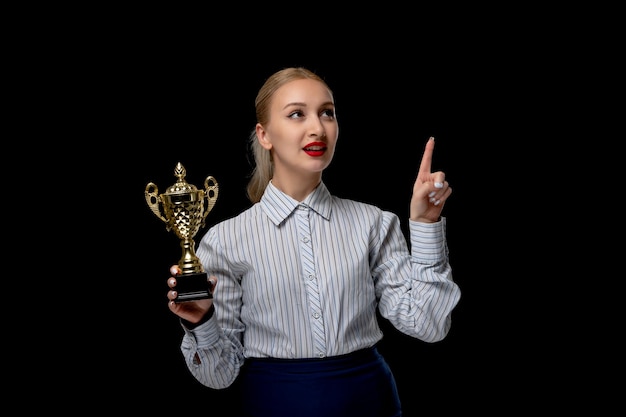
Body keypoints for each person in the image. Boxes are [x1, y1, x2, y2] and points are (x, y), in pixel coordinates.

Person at [165, 66, 461, 417]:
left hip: (371, 403)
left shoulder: (374, 224)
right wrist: (202, 323)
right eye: (296, 114)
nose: (317, 128)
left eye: (327, 113)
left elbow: (428, 325)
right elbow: (219, 375)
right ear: (265, 135)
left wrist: (425, 224)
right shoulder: (225, 240)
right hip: (271, 406)